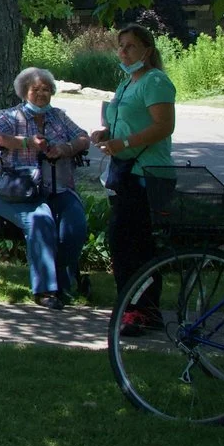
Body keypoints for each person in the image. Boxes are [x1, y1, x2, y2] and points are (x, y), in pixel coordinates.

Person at [0, 67, 92, 309]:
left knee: (75, 224)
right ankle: (46, 290)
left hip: (58, 188)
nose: (41, 93)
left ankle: (62, 278)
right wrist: (26, 143)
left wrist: (66, 148)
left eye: (46, 89)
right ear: (24, 93)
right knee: (41, 219)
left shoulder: (59, 117)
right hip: (16, 191)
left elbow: (84, 138)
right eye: (35, 89)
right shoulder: (11, 117)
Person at [94, 24, 178, 329]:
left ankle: (141, 310)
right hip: (124, 171)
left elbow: (163, 126)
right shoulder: (127, 83)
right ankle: (133, 307)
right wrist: (107, 134)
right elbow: (125, 122)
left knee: (135, 243)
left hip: (148, 173)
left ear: (148, 50)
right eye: (121, 46)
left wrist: (125, 143)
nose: (124, 52)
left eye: (130, 46)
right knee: (122, 241)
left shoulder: (155, 80)